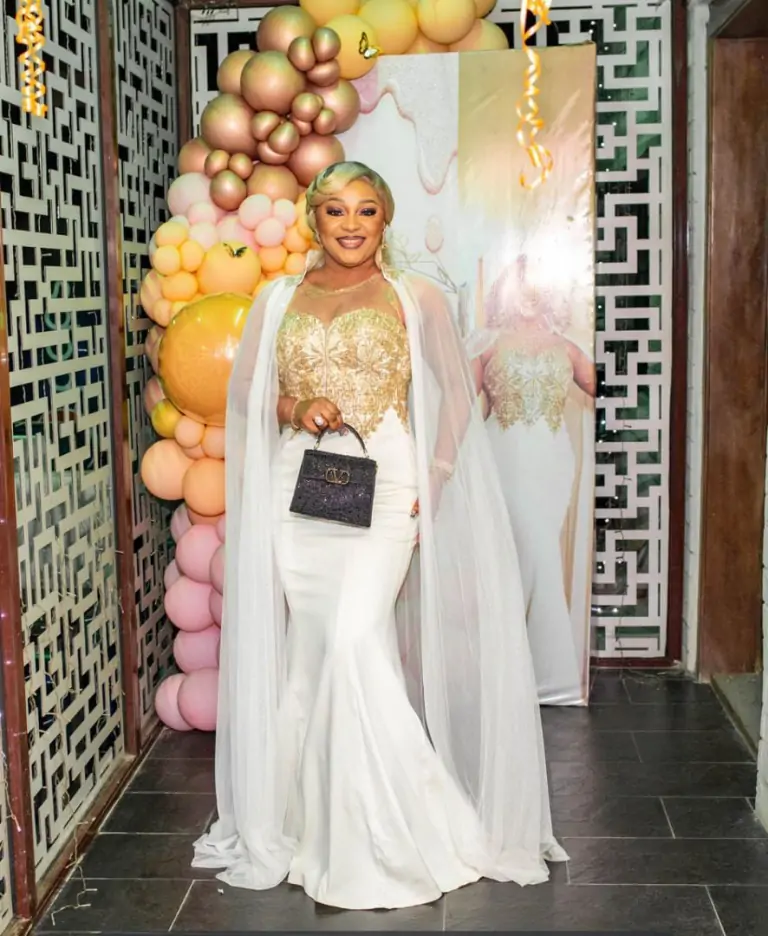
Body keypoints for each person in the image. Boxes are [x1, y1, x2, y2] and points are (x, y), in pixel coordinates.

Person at [193, 162, 566, 910]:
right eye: (336, 210)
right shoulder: (277, 299)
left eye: (366, 210)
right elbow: (250, 396)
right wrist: (297, 407)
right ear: (314, 218)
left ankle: (386, 836)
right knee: (311, 650)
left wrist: (436, 471)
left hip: (387, 479)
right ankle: (303, 823)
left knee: (354, 639)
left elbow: (456, 393)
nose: (352, 224)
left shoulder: (414, 296)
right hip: (301, 488)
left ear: (385, 219)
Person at [470, 256, 596, 705]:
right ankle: (522, 672)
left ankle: (536, 675)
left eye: (536, 286)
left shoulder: (568, 347)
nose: (528, 294)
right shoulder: (487, 343)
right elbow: (460, 404)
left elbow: (607, 389)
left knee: (539, 553)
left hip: (551, 462)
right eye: (520, 284)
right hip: (501, 457)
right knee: (521, 555)